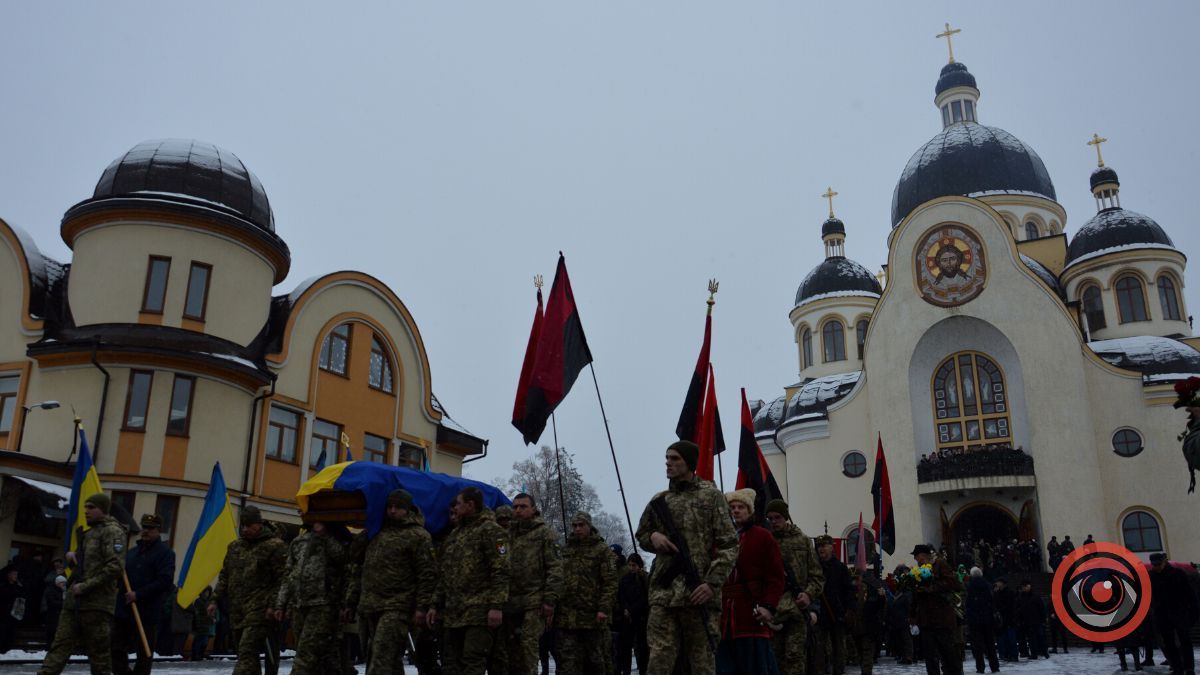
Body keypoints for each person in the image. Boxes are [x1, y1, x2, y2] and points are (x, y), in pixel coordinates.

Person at [635, 440, 738, 675]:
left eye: (674, 458)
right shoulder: (659, 500)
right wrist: (653, 537)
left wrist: (711, 583)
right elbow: (641, 533)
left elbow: (729, 543)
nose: (668, 463)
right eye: (667, 458)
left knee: (701, 662)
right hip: (664, 592)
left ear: (689, 463)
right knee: (659, 659)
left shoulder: (711, 497)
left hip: (699, 593)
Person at [344, 488, 435, 675]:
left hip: (397, 605)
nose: (393, 511)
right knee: (384, 660)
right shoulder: (377, 532)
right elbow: (355, 558)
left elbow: (427, 574)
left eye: (398, 507)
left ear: (408, 509)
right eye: (390, 507)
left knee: (380, 660)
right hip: (369, 605)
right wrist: (368, 530)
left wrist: (421, 607)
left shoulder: (418, 535)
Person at [37, 493, 126, 675]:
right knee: (59, 647)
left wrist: (85, 586)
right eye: (86, 507)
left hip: (97, 605)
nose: (86, 511)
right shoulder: (89, 533)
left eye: (91, 507)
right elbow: (86, 567)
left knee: (99, 657)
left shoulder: (113, 531)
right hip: (74, 602)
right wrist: (73, 560)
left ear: (103, 509)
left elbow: (115, 567)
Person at [428, 486, 510, 675]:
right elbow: (445, 573)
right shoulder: (456, 535)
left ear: (470, 505)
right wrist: (434, 604)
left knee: (472, 662)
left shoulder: (491, 531)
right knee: (450, 664)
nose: (454, 508)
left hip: (478, 612)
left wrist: (496, 606)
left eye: (458, 504)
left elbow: (501, 570)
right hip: (453, 613)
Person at [208, 505, 288, 675]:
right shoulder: (235, 547)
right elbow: (225, 575)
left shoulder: (274, 546)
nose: (245, 529)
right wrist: (214, 599)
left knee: (246, 652)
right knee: (247, 657)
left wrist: (274, 605)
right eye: (242, 525)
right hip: (237, 611)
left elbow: (282, 579)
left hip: (260, 611)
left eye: (248, 525)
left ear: (258, 524)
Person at [717, 488, 785, 675]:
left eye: (741, 507)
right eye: (732, 507)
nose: (736, 510)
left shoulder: (763, 536)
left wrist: (768, 606)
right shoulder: (718, 538)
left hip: (751, 616)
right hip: (722, 619)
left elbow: (776, 577)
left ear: (750, 511)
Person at [273, 519, 348, 675]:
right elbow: (289, 574)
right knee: (313, 653)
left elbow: (342, 559)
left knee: (306, 652)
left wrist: (325, 536)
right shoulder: (298, 542)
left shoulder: (333, 539)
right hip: (299, 604)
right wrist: (281, 603)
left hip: (322, 604)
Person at [503, 492, 563, 675]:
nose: (518, 510)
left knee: (528, 646)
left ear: (533, 509)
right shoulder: (507, 534)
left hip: (534, 601)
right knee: (510, 651)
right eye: (515, 507)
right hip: (510, 602)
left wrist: (550, 600)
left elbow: (555, 568)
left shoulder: (544, 533)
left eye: (523, 506)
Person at [764, 498, 824, 675]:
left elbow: (817, 576)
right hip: (773, 611)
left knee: (795, 658)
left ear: (786, 517)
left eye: (777, 517)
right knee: (773, 659)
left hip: (797, 610)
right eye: (770, 519)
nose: (774, 522)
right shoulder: (766, 541)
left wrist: (808, 595)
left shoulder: (803, 541)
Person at [113, 513, 176, 675]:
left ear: (158, 530)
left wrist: (139, 594)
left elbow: (165, 581)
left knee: (144, 655)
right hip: (124, 610)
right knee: (115, 648)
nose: (146, 531)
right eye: (144, 527)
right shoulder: (132, 552)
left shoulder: (165, 553)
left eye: (151, 528)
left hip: (146, 612)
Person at [555, 512, 618, 675]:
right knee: (567, 663)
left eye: (581, 525)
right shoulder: (566, 549)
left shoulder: (602, 550)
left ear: (589, 526)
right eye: (574, 526)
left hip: (592, 618)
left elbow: (610, 582)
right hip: (567, 618)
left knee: (597, 663)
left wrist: (604, 608)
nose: (577, 529)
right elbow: (558, 578)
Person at [908, 544, 964, 675]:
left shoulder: (940, 564)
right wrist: (913, 615)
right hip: (926, 620)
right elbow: (915, 597)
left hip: (942, 618)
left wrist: (931, 588)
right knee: (930, 656)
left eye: (917, 556)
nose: (916, 559)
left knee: (948, 654)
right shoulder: (918, 571)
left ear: (924, 555)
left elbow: (952, 583)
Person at [1149, 552, 1197, 675]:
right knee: (1169, 644)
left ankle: (1189, 668)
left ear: (1164, 562)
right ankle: (1177, 668)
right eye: (1154, 565)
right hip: (1162, 615)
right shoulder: (1151, 576)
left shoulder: (1178, 573)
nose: (1157, 567)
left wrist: (1193, 612)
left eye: (1159, 564)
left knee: (1185, 641)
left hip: (1179, 612)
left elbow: (1190, 594)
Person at [812, 534, 851, 675]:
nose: (820, 549)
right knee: (819, 648)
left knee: (839, 649)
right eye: (818, 546)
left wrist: (846, 611)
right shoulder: (815, 568)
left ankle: (838, 671)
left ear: (831, 546)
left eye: (823, 545)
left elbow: (848, 591)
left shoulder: (841, 568)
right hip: (820, 614)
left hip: (837, 614)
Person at [845, 568, 885, 675]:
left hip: (868, 626)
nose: (855, 581)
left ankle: (866, 673)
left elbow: (878, 606)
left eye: (857, 579)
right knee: (860, 654)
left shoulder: (870, 589)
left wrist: (881, 597)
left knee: (867, 653)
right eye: (853, 579)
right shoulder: (850, 591)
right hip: (855, 627)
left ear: (861, 578)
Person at [617, 553, 649, 675]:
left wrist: (632, 609)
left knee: (642, 647)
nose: (631, 568)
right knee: (625, 647)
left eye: (634, 565)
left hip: (641, 616)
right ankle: (626, 670)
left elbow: (646, 597)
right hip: (627, 617)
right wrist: (624, 608)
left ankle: (643, 670)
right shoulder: (625, 579)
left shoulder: (644, 578)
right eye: (630, 565)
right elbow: (621, 596)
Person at [963, 567, 998, 674]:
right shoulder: (987, 585)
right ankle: (994, 666)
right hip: (987, 618)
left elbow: (967, 603)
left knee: (977, 646)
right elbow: (992, 602)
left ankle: (980, 667)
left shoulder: (970, 586)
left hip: (974, 620)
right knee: (990, 644)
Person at [1013, 580, 1047, 661]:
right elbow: (1018, 609)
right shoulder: (1020, 597)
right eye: (1024, 587)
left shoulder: (1035, 596)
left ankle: (1043, 652)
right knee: (1031, 638)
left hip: (1035, 620)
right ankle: (1034, 653)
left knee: (1038, 637)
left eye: (1027, 586)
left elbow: (1041, 608)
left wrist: (1043, 619)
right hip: (1025, 621)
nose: (1025, 588)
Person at [990, 579, 1017, 662]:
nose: (997, 583)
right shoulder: (997, 593)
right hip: (1001, 620)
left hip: (1009, 619)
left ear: (1003, 583)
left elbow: (1011, 606)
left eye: (998, 582)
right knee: (1005, 638)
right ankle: (1007, 654)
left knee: (1011, 638)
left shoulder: (1009, 593)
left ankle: (1013, 655)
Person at [1, 565, 23, 653]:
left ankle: (7, 648)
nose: (15, 576)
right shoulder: (3, 585)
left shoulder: (18, 585)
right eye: (14, 574)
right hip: (3, 612)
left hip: (14, 613)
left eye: (16, 574)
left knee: (10, 631)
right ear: (8, 575)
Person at [41, 574, 66, 648]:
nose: (64, 585)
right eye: (62, 583)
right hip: (52, 615)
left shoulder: (62, 591)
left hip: (58, 615)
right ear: (58, 583)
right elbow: (52, 602)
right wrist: (63, 604)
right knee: (51, 632)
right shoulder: (50, 590)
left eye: (64, 583)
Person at [190, 587, 214, 660]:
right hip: (200, 624)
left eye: (208, 592)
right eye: (206, 592)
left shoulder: (208, 601)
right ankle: (196, 655)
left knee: (204, 641)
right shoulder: (199, 601)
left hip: (206, 624)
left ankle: (200, 654)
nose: (207, 594)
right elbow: (197, 614)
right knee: (199, 640)